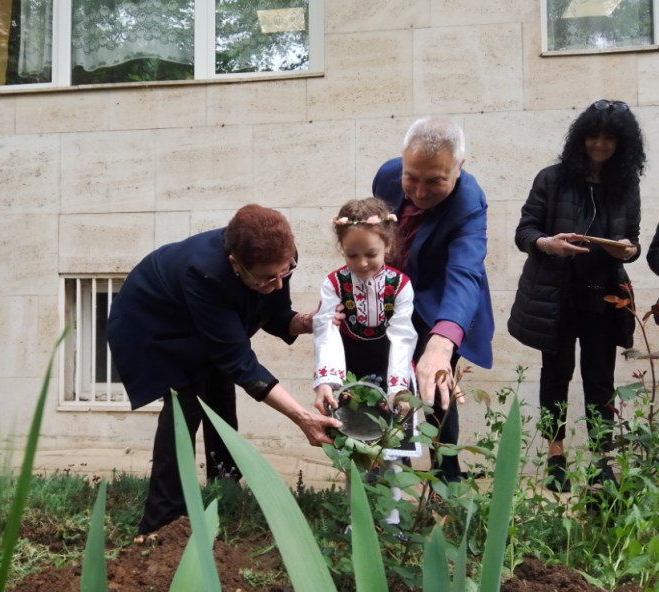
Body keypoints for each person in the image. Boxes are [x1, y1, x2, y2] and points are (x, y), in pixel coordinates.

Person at [107, 204, 342, 534]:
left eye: (285, 272)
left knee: (221, 400)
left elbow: (274, 311)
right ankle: (164, 520)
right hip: (153, 323)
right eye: (267, 278)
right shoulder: (205, 273)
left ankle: (225, 491)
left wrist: (306, 322)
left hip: (197, 318)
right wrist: (302, 417)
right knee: (185, 406)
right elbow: (238, 360)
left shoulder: (277, 258)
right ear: (235, 263)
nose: (278, 284)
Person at [508, 100, 645, 492]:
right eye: (593, 135)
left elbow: (633, 241)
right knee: (556, 376)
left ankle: (602, 462)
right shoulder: (551, 179)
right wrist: (548, 244)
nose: (600, 143)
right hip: (557, 297)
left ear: (623, 143)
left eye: (609, 137)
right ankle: (556, 459)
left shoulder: (626, 186)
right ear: (580, 137)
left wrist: (628, 251)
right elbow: (525, 232)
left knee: (600, 381)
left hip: (603, 298)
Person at [372, 117, 494, 484]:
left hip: (439, 300)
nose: (420, 192)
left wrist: (441, 344)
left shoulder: (469, 202)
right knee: (389, 380)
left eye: (435, 181)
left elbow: (466, 271)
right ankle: (392, 473)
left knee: (436, 383)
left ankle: (446, 475)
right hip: (394, 297)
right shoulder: (387, 176)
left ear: (459, 167)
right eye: (412, 177)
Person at [312, 197, 421, 525]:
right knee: (353, 450)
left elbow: (402, 337)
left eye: (371, 254)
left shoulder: (400, 286)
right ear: (342, 250)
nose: (361, 263)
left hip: (390, 370)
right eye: (352, 254)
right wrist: (327, 381)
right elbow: (326, 330)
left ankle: (392, 521)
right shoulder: (334, 284)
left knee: (392, 453)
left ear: (388, 245)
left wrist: (399, 388)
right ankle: (355, 521)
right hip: (350, 373)